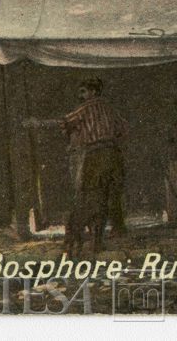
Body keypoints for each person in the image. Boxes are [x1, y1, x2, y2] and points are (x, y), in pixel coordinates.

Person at [59, 78, 128, 256]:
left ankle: (86, 239)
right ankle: (113, 231)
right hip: (113, 154)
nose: (80, 95)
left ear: (93, 92)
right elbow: (123, 128)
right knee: (111, 193)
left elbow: (65, 123)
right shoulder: (110, 108)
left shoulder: (84, 109)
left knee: (91, 194)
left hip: (95, 155)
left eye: (83, 92)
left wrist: (74, 133)